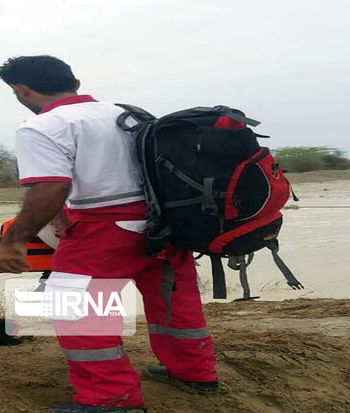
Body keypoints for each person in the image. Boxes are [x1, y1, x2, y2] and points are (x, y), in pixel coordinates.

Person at [0, 55, 217, 412]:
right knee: (174, 302)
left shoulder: (42, 127)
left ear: (20, 90)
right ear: (76, 83)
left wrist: (15, 240)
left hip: (103, 229)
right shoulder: (128, 114)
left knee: (79, 310)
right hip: (165, 224)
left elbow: (50, 187)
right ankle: (195, 373)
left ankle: (111, 398)